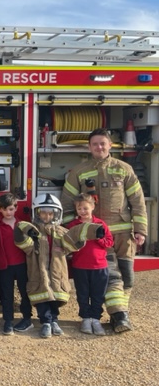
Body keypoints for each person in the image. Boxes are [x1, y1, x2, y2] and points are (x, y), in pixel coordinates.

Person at [60, 128, 146, 333]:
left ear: (110, 145)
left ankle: (119, 313)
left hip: (124, 233)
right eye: (95, 144)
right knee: (110, 276)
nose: (99, 147)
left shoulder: (124, 169)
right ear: (89, 147)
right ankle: (120, 316)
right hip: (96, 237)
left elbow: (138, 201)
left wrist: (140, 229)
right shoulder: (79, 171)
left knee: (127, 276)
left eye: (103, 143)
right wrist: (78, 232)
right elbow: (67, 204)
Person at [14, 193, 105, 338]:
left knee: (55, 298)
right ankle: (46, 322)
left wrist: (95, 231)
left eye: (51, 213)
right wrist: (23, 231)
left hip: (57, 274)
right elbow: (23, 241)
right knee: (42, 297)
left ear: (57, 214)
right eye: (43, 213)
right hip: (38, 273)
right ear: (36, 213)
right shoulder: (33, 232)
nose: (47, 216)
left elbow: (74, 236)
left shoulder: (62, 232)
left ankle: (54, 321)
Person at [67, 194, 114, 336]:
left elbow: (109, 242)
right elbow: (68, 244)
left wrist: (99, 238)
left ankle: (96, 319)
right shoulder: (73, 226)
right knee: (82, 294)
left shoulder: (100, 224)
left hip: (99, 267)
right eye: (79, 208)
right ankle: (85, 319)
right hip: (80, 266)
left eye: (85, 208)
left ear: (92, 207)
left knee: (97, 295)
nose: (82, 211)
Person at [0, 193, 32, 335]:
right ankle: (8, 321)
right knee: (7, 294)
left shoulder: (23, 225)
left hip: (22, 265)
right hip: (5, 266)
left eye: (10, 209)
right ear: (0, 210)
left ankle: (27, 318)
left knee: (25, 292)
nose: (8, 212)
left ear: (16, 208)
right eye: (4, 209)